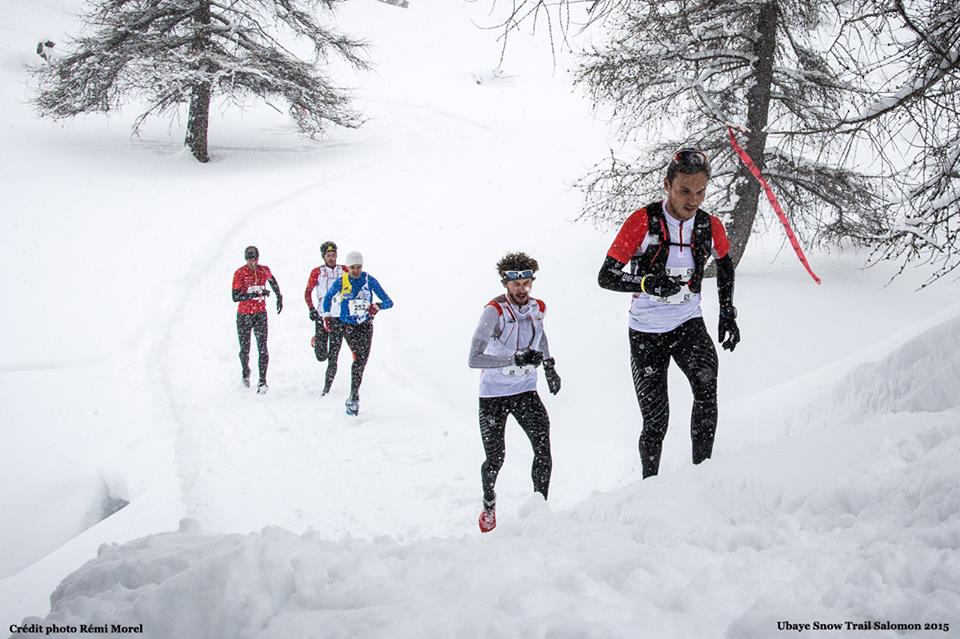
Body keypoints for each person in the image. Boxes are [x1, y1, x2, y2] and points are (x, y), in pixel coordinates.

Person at [597, 148, 740, 479]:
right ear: (667, 185)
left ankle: (701, 475)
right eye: (684, 191)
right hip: (646, 331)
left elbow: (725, 264)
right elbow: (606, 276)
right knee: (656, 418)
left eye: (701, 192)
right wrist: (647, 283)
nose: (693, 200)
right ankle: (650, 486)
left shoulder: (708, 225)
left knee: (707, 389)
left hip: (688, 323)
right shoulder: (642, 221)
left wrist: (727, 312)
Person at [468, 252, 562, 533]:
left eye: (526, 282)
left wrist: (549, 366)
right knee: (496, 457)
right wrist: (513, 360)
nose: (522, 289)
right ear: (505, 283)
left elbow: (540, 334)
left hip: (525, 390)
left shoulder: (537, 307)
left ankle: (539, 507)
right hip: (493, 395)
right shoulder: (494, 312)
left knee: (543, 448)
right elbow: (474, 358)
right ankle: (489, 502)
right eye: (515, 284)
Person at [321, 251, 393, 416]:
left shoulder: (368, 280)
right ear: (347, 267)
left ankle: (354, 394)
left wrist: (377, 306)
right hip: (349, 326)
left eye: (359, 267)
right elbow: (327, 298)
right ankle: (354, 397)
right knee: (358, 360)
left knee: (362, 361)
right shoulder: (342, 281)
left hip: (366, 325)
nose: (356, 271)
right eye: (353, 267)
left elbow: (389, 302)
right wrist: (326, 315)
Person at [231, 245, 283, 394]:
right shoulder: (240, 273)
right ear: (245, 259)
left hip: (260, 313)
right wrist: (256, 293)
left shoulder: (263, 270)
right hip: (244, 315)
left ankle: (262, 381)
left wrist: (279, 296)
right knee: (245, 349)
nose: (252, 262)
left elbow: (273, 282)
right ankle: (245, 371)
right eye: (249, 259)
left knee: (263, 348)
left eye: (255, 258)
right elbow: (235, 297)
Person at [305, 240, 346, 395]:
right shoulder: (317, 272)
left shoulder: (344, 270)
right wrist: (311, 309)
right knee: (321, 356)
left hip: (338, 316)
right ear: (323, 257)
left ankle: (326, 389)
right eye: (328, 255)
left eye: (334, 255)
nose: (332, 258)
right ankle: (317, 341)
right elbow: (307, 292)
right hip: (322, 315)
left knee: (334, 355)